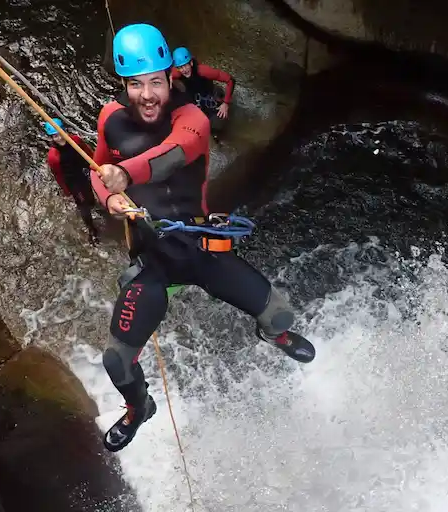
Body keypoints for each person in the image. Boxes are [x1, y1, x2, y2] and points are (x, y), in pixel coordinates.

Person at [92, 23, 315, 452]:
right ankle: (140, 408)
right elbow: (96, 167)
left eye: (156, 81)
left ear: (169, 77)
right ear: (123, 84)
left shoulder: (191, 118)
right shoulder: (109, 119)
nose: (148, 94)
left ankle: (273, 336)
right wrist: (108, 198)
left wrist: (125, 174)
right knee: (115, 360)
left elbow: (173, 156)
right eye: (136, 84)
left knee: (279, 314)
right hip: (153, 258)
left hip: (197, 246)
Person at [45, 119, 101, 245]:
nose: (59, 137)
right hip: (72, 181)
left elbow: (87, 152)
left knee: (90, 196)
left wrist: (96, 165)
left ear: (65, 131)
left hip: (83, 172)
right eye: (55, 136)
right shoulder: (53, 156)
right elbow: (58, 175)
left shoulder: (75, 140)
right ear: (52, 137)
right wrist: (66, 190)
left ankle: (94, 205)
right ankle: (91, 229)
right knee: (83, 205)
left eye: (60, 133)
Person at [170, 46, 234, 136]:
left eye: (185, 66)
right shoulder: (177, 73)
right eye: (180, 67)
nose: (184, 70)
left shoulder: (203, 71)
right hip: (193, 96)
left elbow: (230, 80)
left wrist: (226, 103)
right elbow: (163, 76)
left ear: (191, 63)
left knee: (218, 123)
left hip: (209, 95)